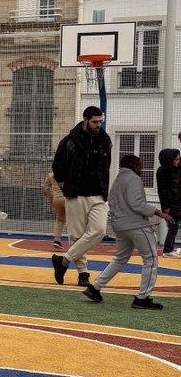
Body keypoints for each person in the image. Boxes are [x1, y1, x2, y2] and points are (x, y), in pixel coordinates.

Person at [82, 155, 174, 310]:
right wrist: (159, 213)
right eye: (139, 165)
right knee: (150, 259)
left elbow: (112, 202)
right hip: (136, 225)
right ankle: (142, 298)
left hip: (120, 226)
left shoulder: (117, 180)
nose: (142, 169)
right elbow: (137, 204)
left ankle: (95, 288)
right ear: (132, 165)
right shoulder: (134, 179)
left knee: (120, 259)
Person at [50, 106, 112, 288]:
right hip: (75, 194)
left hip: (98, 195)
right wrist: (66, 187)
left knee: (99, 230)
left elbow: (106, 166)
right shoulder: (68, 142)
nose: (98, 125)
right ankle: (83, 274)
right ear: (85, 120)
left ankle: (63, 262)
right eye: (95, 121)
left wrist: (104, 189)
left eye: (100, 121)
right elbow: (58, 167)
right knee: (76, 236)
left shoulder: (106, 141)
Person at [155, 148, 181, 256]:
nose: (178, 161)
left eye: (179, 159)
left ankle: (169, 249)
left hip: (178, 201)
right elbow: (162, 190)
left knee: (173, 226)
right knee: (173, 226)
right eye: (176, 159)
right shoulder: (162, 171)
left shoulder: (177, 169)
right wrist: (165, 206)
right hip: (171, 204)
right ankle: (168, 249)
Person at [40, 167, 66, 251]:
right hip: (68, 198)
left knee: (59, 219)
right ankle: (75, 240)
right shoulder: (70, 172)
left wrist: (50, 198)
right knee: (73, 219)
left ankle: (57, 239)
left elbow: (45, 188)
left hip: (56, 199)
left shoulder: (51, 175)